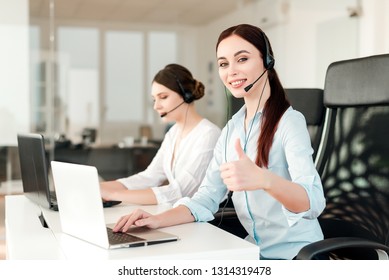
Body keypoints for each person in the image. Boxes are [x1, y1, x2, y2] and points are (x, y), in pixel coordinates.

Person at [112, 24, 326, 260]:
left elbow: (313, 201)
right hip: (252, 251)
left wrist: (265, 179)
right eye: (224, 64)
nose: (231, 71)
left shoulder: (289, 122)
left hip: (296, 255)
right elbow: (207, 197)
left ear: (267, 61)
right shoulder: (231, 129)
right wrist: (156, 220)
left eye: (242, 59)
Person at [100, 64, 221, 205]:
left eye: (163, 97)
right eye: (154, 99)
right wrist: (102, 187)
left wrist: (113, 194)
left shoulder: (208, 135)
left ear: (186, 95)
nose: (156, 106)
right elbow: (150, 177)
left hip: (206, 219)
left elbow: (179, 192)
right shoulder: (173, 133)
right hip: (179, 214)